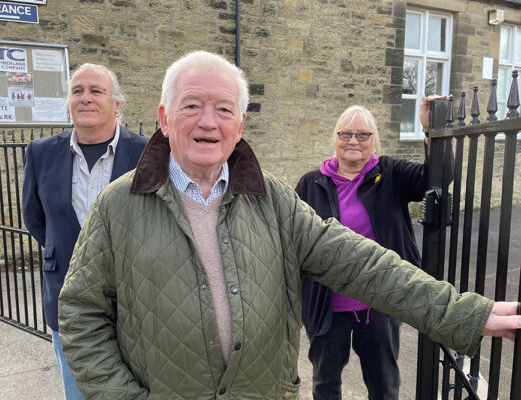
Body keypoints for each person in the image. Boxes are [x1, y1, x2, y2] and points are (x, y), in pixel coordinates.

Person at [57, 51, 521, 399]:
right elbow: (80, 315)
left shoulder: (272, 198)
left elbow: (359, 263)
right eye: (191, 105)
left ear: (239, 123)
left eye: (223, 109)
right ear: (164, 118)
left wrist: (461, 311)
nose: (208, 121)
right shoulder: (116, 206)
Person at [296, 100, 443, 400]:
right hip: (327, 305)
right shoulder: (311, 184)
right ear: (335, 139)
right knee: (325, 385)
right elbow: (294, 244)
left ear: (374, 140)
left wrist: (431, 130)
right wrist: (296, 301)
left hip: (381, 304)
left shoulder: (390, 173)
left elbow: (437, 176)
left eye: (363, 134)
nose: (353, 141)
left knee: (384, 386)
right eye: (345, 134)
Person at [22, 63, 149, 399]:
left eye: (96, 90)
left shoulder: (148, 153)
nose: (86, 98)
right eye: (77, 91)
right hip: (68, 304)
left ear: (117, 103)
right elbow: (35, 219)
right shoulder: (40, 153)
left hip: (136, 304)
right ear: (69, 100)